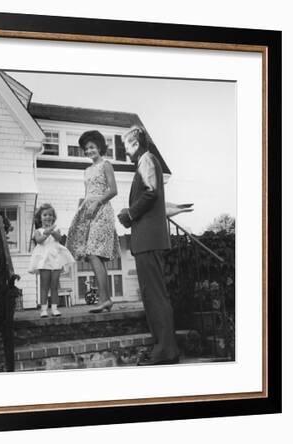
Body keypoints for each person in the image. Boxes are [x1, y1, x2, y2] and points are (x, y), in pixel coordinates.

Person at [118, 125, 180, 366]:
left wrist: (129, 214)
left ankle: (166, 351)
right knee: (152, 296)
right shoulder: (146, 162)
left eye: (126, 146)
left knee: (155, 296)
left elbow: (151, 192)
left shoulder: (147, 160)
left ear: (136, 143)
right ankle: (162, 348)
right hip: (146, 241)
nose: (125, 151)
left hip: (149, 240)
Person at [66, 130, 121, 313]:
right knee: (93, 255)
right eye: (86, 148)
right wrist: (81, 208)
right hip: (89, 212)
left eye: (92, 147)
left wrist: (97, 201)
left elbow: (113, 190)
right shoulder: (87, 170)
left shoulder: (106, 165)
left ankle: (105, 299)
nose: (89, 150)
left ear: (99, 147)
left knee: (93, 253)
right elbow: (87, 193)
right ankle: (106, 300)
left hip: (103, 211)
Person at [28, 203, 76, 318]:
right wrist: (46, 232)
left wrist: (52, 231)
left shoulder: (57, 229)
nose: (47, 217)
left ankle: (54, 308)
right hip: (44, 261)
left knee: (54, 285)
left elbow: (59, 239)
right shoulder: (38, 230)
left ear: (53, 217)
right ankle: (44, 309)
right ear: (40, 217)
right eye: (45, 215)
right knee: (44, 285)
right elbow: (39, 241)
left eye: (50, 215)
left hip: (55, 260)